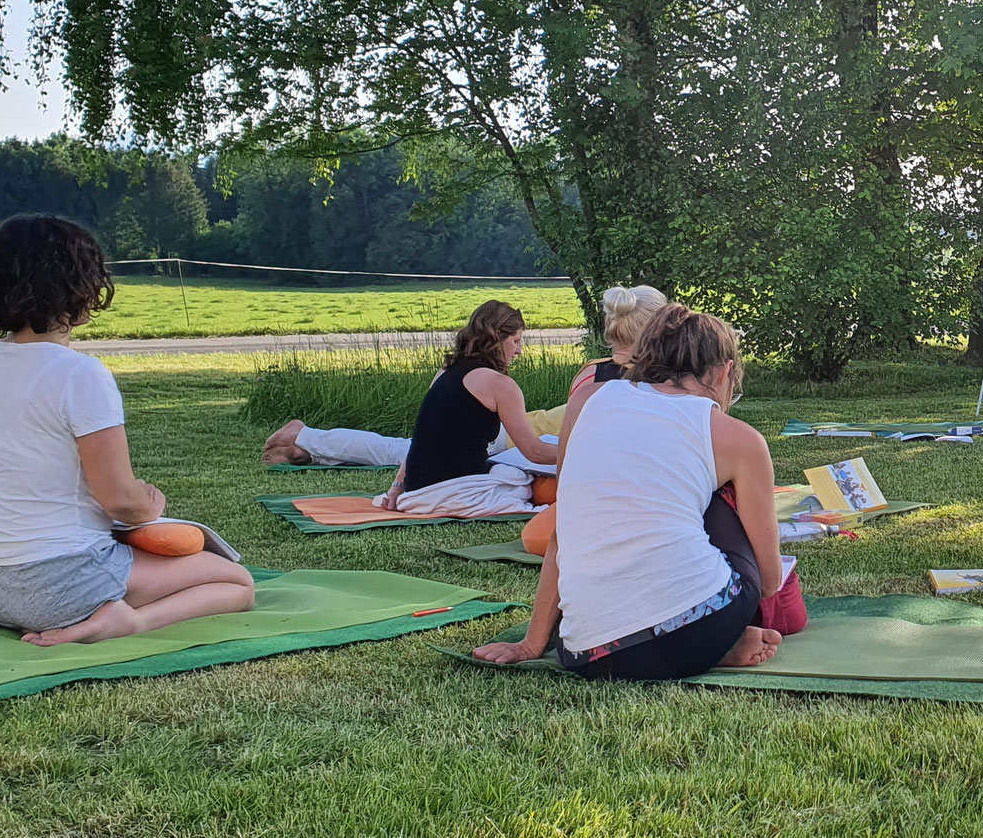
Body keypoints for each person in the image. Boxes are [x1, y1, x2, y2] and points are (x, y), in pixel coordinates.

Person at [0, 215, 256, 646]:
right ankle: (127, 621)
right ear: (82, 286)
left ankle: (97, 608)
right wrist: (149, 505)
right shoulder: (81, 374)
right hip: (65, 583)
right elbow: (119, 500)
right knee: (237, 582)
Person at [474, 304, 784, 677]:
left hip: (587, 653)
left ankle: (710, 642)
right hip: (697, 628)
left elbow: (565, 530)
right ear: (724, 372)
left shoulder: (584, 401)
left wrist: (531, 644)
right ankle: (719, 641)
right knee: (719, 495)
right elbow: (767, 581)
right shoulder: (738, 438)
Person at [262, 284, 668, 466]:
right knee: (401, 453)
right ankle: (305, 436)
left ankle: (306, 445)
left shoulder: (604, 371)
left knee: (400, 452)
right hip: (513, 439)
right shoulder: (614, 378)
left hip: (521, 436)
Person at [376, 300, 556, 513]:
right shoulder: (501, 385)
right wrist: (580, 450)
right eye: (516, 341)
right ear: (498, 337)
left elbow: (421, 438)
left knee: (508, 471)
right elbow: (534, 452)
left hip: (417, 490)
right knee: (521, 483)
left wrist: (399, 485)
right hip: (455, 490)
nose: (519, 351)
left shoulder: (445, 373)